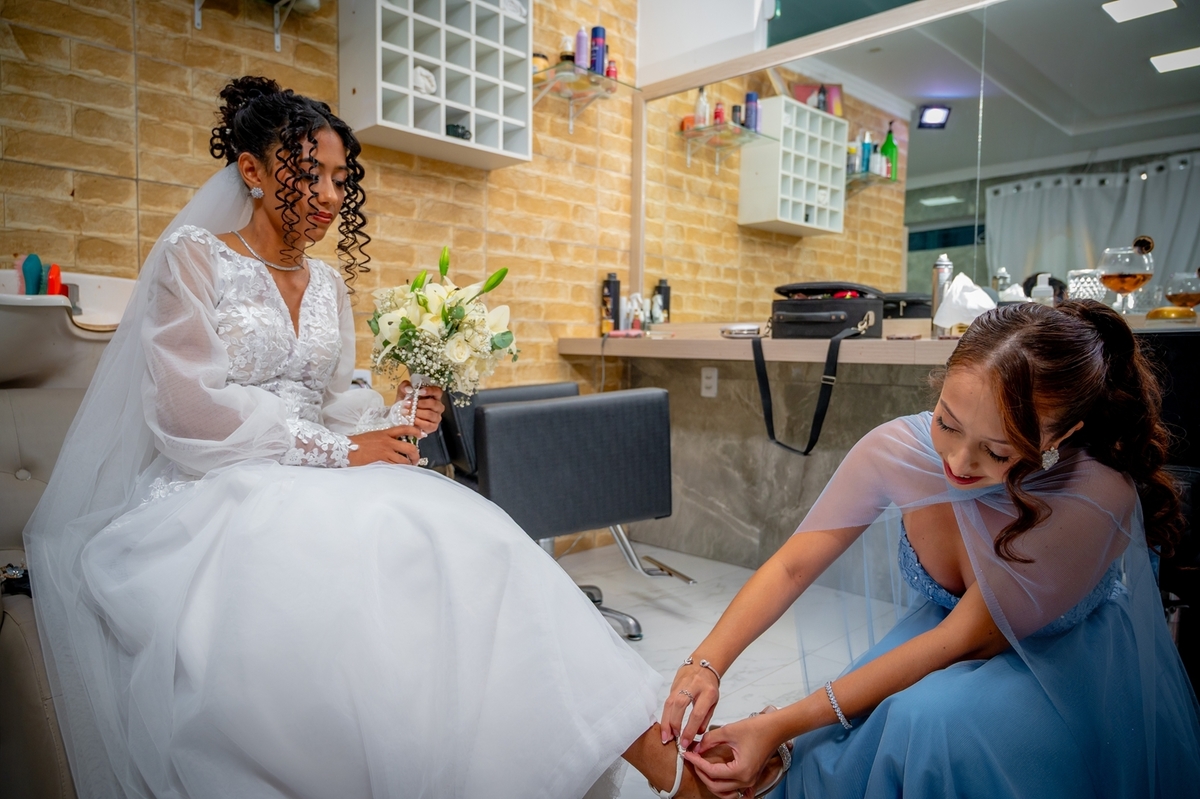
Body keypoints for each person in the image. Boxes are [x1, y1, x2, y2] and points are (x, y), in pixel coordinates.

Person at [23, 76, 710, 799]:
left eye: (338, 179)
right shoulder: (194, 257)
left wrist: (394, 416)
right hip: (215, 481)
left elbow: (335, 400)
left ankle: (653, 762)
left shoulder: (325, 282)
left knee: (487, 541)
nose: (326, 194)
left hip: (323, 470)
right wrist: (339, 451)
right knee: (379, 545)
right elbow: (189, 412)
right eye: (306, 172)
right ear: (251, 171)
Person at [660, 300, 1200, 798]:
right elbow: (794, 564)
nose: (960, 464)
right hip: (945, 638)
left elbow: (960, 639)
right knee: (834, 750)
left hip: (1060, 662)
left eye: (997, 450)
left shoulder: (1091, 493)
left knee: (925, 726)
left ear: (1061, 436)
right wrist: (707, 663)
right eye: (948, 422)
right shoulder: (897, 450)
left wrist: (779, 722)